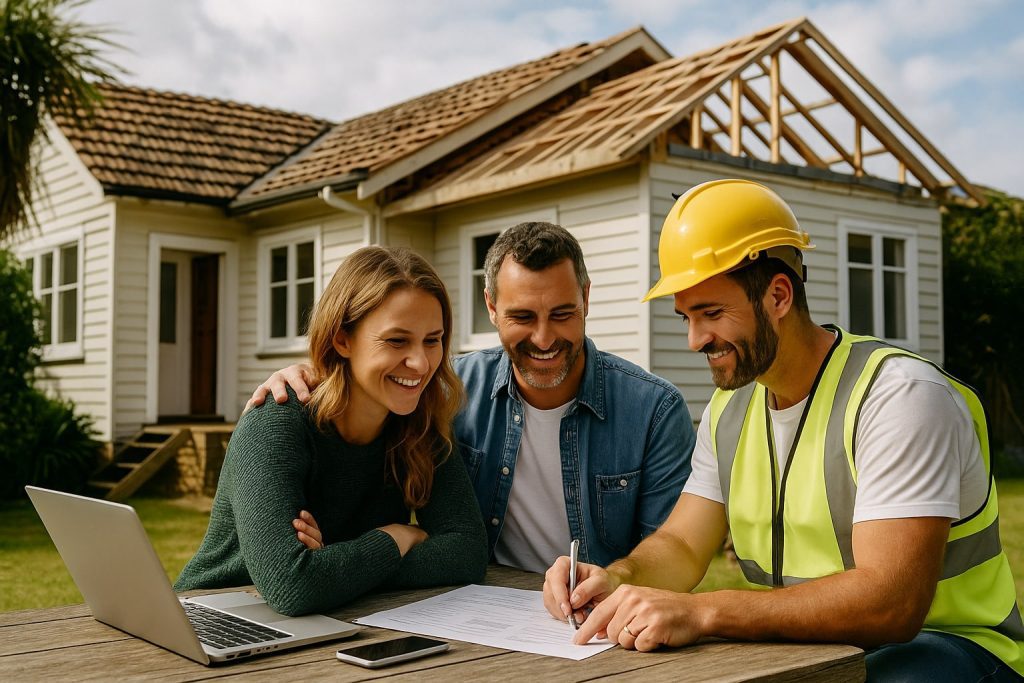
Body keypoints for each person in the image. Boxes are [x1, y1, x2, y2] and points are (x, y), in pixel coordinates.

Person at [542, 179, 1023, 681]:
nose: (694, 339)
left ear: (777, 295)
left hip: (949, 653)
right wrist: (617, 578)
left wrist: (705, 611)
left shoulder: (899, 396)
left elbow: (892, 604)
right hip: (817, 647)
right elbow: (683, 545)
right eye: (686, 316)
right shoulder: (729, 411)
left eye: (711, 313)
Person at [249, 222, 695, 573]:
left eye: (563, 314)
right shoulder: (443, 392)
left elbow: (674, 551)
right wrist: (320, 372)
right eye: (522, 316)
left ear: (587, 299)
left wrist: (613, 578)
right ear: (491, 307)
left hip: (600, 614)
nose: (544, 338)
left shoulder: (653, 410)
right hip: (481, 608)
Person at [175, 246, 487, 616]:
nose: (420, 362)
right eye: (396, 340)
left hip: (335, 618)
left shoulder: (422, 423)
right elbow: (293, 586)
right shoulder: (275, 421)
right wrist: (397, 537)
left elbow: (467, 553)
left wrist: (336, 567)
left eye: (432, 340)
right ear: (342, 339)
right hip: (211, 614)